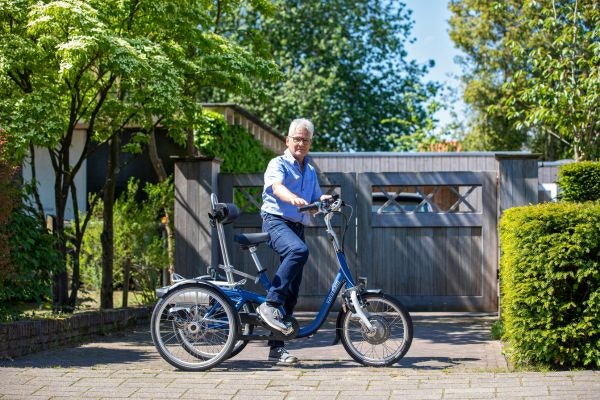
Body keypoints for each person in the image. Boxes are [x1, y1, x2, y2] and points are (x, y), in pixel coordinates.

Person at [257, 118, 330, 364]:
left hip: (296, 225)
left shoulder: (309, 170)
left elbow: (316, 198)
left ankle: (276, 348)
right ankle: (270, 303)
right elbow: (276, 188)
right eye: (296, 139)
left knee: (293, 290)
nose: (300, 143)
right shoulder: (277, 163)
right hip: (275, 220)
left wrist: (326, 200)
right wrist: (292, 199)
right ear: (287, 140)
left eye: (305, 140)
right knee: (299, 251)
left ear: (310, 143)